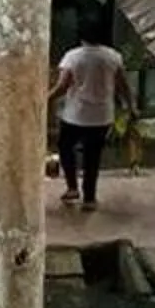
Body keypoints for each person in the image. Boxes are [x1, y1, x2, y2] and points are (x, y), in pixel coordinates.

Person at [51, 26, 133, 212]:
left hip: (75, 115)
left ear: (81, 37)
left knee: (65, 147)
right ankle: (89, 198)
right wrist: (130, 105)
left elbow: (63, 86)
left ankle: (72, 187)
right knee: (92, 157)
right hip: (102, 116)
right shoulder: (113, 57)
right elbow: (123, 85)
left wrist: (46, 98)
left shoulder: (73, 56)